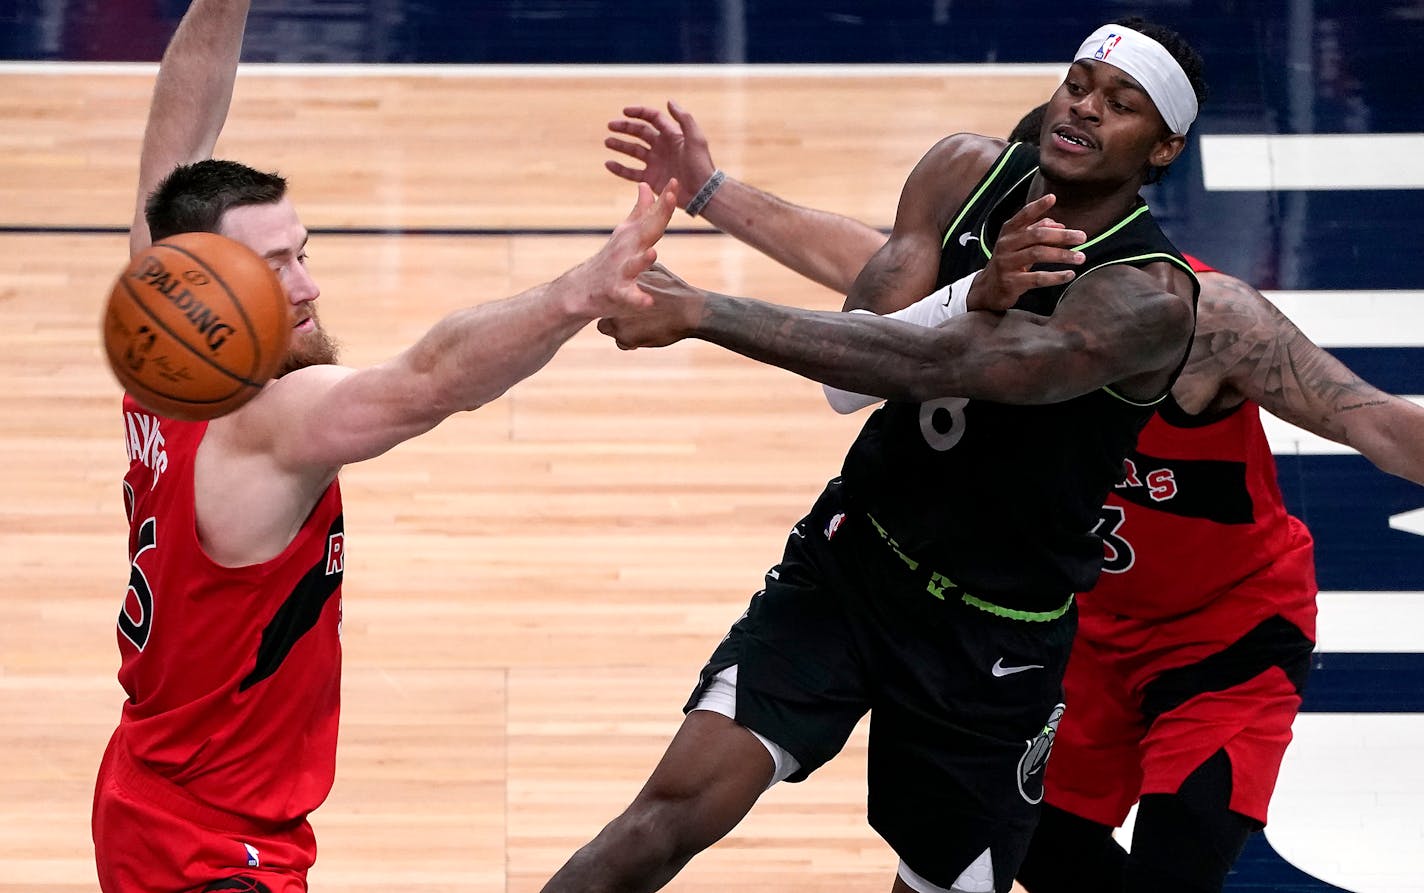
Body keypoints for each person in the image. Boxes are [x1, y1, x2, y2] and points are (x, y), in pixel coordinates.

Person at [597, 95, 1424, 893]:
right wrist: (710, 191)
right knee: (1035, 848)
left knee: (1176, 869)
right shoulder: (985, 267)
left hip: (1218, 631)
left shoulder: (1200, 317)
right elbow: (858, 268)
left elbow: (1377, 424)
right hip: (1076, 627)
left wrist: (704, 302)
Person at [544, 19, 1207, 893]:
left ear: (1162, 149)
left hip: (993, 634)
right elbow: (856, 373)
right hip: (857, 564)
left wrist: (704, 312)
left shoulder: (1145, 298)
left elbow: (943, 362)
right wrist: (979, 287)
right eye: (1078, 83)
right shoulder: (963, 171)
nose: (1084, 108)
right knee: (663, 817)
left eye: (1121, 104)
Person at [91, 2, 677, 891]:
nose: (308, 286)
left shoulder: (162, 328)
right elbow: (430, 379)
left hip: (147, 786)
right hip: (213, 852)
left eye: (302, 253)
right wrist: (580, 291)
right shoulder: (268, 422)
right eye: (275, 267)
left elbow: (178, 127)